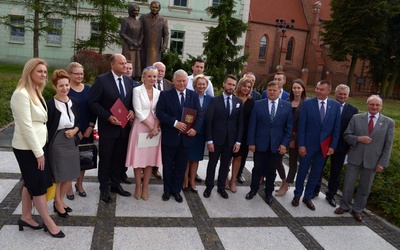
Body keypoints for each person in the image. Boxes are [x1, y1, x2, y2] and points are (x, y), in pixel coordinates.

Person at [10, 58, 64, 238]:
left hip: (39, 145)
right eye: (39, 71)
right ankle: (49, 222)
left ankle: (26, 216)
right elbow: (25, 127)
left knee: (30, 182)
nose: (43, 75)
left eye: (44, 72)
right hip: (28, 149)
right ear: (29, 72)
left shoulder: (35, 91)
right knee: (39, 185)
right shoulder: (21, 94)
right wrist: (39, 153)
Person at [335, 95, 394, 222]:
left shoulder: (388, 122)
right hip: (355, 156)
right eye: (372, 104)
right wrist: (358, 139)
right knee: (348, 183)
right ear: (367, 105)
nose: (374, 107)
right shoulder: (356, 118)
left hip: (373, 160)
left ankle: (358, 210)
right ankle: (344, 206)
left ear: (381, 107)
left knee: (365, 187)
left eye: (377, 105)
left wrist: (382, 163)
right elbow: (347, 135)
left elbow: (388, 145)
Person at [89, 54, 135, 203]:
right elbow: (93, 103)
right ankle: (104, 188)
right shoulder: (101, 80)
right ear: (112, 65)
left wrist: (132, 111)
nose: (124, 66)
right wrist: (107, 117)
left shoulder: (129, 81)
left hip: (123, 129)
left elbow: (129, 103)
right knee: (106, 159)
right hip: (108, 129)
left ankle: (116, 184)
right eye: (121, 63)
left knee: (118, 159)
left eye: (125, 63)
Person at [292, 80, 341, 211]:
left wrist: (333, 146)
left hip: (324, 148)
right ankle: (297, 195)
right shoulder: (307, 103)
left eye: (321, 89)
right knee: (302, 171)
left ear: (328, 91)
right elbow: (301, 126)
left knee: (316, 173)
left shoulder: (335, 106)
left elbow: (336, 128)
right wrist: (301, 145)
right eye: (317, 88)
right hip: (307, 146)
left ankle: (307, 197)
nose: (318, 91)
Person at [156, 69, 203, 203]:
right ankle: (167, 190)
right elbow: (160, 113)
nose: (182, 83)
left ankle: (176, 190)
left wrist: (195, 129)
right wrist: (175, 123)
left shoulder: (193, 96)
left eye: (184, 81)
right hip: (170, 137)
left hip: (187, 138)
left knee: (181, 166)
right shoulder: (165, 95)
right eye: (179, 81)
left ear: (187, 81)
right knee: (168, 165)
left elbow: (199, 114)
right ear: (173, 81)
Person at [245, 81, 293, 205]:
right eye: (269, 90)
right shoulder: (258, 104)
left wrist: (284, 144)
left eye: (274, 90)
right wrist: (251, 142)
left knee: (272, 170)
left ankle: (268, 193)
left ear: (279, 92)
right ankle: (253, 190)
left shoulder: (286, 106)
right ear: (266, 91)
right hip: (260, 143)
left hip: (276, 146)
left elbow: (289, 128)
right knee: (257, 169)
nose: (271, 92)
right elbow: (252, 125)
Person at [314, 84, 358, 206]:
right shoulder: (328, 105)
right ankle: (315, 190)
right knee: (318, 168)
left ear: (348, 96)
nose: (342, 96)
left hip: (341, 146)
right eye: (340, 93)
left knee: (336, 172)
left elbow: (353, 129)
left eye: (345, 94)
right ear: (335, 93)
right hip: (325, 143)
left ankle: (331, 195)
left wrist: (349, 147)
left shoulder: (353, 110)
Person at [47, 69, 81, 218]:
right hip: (57, 143)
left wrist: (74, 131)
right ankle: (58, 203)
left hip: (71, 141)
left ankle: (59, 201)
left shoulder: (74, 101)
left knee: (71, 174)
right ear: (54, 86)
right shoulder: (50, 104)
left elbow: (78, 121)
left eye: (67, 85)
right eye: (61, 85)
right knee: (60, 176)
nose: (65, 88)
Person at [203, 75, 243, 199]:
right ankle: (209, 187)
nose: (231, 87)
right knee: (212, 164)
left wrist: (238, 142)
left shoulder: (238, 102)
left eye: (233, 85)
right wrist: (209, 140)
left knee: (225, 165)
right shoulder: (214, 101)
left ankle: (221, 187)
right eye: (229, 84)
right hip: (215, 140)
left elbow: (240, 123)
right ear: (224, 84)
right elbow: (209, 121)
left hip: (230, 141)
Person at [126, 66, 162, 200]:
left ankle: (145, 187)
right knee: (139, 158)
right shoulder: (137, 90)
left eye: (154, 76)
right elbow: (138, 111)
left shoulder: (159, 92)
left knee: (149, 159)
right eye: (149, 76)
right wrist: (151, 127)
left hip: (155, 128)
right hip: (141, 126)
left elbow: (160, 111)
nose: (152, 79)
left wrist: (155, 126)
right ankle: (137, 186)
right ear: (143, 77)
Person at [65, 62, 97, 199]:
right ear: (69, 74)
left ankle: (79, 184)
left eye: (82, 73)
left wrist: (90, 126)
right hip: (71, 130)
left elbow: (93, 109)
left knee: (84, 158)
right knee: (70, 160)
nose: (80, 76)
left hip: (87, 130)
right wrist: (74, 129)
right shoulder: (66, 90)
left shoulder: (89, 89)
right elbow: (64, 111)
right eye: (77, 73)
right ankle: (68, 187)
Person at [277, 79, 306, 196]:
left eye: (299, 88)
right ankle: (284, 180)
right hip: (283, 136)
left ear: (303, 89)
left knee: (293, 162)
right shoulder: (286, 101)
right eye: (294, 87)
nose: (296, 90)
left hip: (297, 137)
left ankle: (287, 184)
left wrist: (294, 139)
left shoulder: (306, 103)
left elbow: (305, 123)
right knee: (277, 160)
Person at [183, 74, 212, 193]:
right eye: (199, 84)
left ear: (206, 86)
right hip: (190, 131)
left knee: (196, 159)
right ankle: (184, 180)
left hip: (201, 133)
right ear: (195, 85)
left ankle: (192, 181)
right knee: (186, 157)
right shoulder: (189, 96)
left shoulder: (210, 99)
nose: (201, 86)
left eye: (203, 84)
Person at [226, 77, 255, 193]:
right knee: (227, 156)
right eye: (244, 86)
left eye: (249, 87)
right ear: (239, 86)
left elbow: (253, 120)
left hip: (244, 134)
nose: (246, 89)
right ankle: (224, 178)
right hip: (231, 132)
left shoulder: (251, 101)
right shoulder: (232, 98)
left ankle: (233, 180)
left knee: (238, 157)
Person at [150, 61, 173, 179]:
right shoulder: (147, 83)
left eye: (162, 71)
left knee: (160, 146)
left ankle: (155, 168)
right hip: (149, 120)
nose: (160, 73)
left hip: (165, 121)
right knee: (148, 145)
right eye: (157, 70)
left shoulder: (170, 84)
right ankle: (145, 169)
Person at [140, 1, 169, 68]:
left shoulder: (163, 20)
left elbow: (166, 34)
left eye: (156, 7)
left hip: (156, 47)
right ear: (150, 7)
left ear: (159, 8)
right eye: (153, 7)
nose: (155, 9)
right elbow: (139, 30)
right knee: (143, 64)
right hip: (144, 46)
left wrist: (164, 45)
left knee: (153, 65)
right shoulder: (143, 18)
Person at [120, 3, 142, 79]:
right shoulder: (125, 20)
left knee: (136, 65)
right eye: (135, 10)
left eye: (137, 10)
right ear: (130, 11)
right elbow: (122, 33)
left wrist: (139, 43)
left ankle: (135, 79)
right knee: (128, 63)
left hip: (137, 47)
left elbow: (142, 34)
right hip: (128, 47)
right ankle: (126, 78)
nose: (136, 12)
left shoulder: (139, 22)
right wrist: (132, 42)